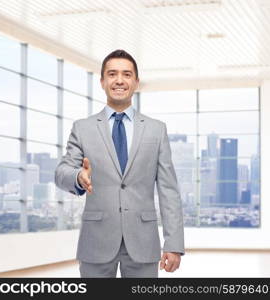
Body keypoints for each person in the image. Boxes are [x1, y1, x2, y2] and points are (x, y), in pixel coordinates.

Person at [55, 49, 184, 278]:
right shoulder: (82, 128)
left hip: (143, 241)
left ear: (136, 82)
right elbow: (62, 172)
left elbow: (168, 190)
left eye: (126, 74)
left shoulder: (156, 130)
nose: (119, 80)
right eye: (112, 74)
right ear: (103, 81)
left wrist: (173, 243)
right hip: (96, 241)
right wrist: (78, 177)